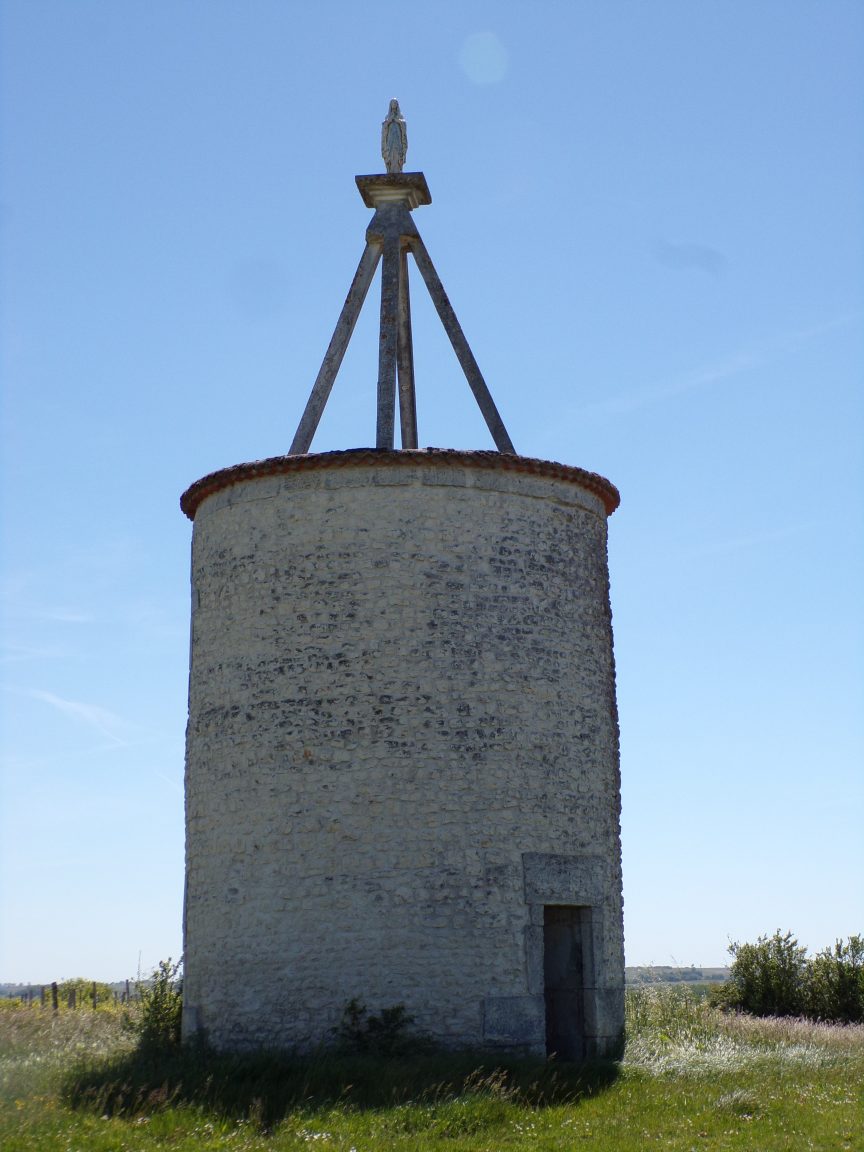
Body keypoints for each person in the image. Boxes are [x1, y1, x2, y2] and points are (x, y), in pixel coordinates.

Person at [381, 99, 407, 173]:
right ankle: (390, 169)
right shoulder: (387, 117)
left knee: (397, 154)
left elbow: (403, 125)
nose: (394, 104)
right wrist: (389, 121)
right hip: (390, 140)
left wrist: (397, 121)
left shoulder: (400, 116)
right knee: (390, 153)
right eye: (392, 103)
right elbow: (384, 126)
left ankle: (398, 169)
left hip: (397, 139)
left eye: (395, 103)